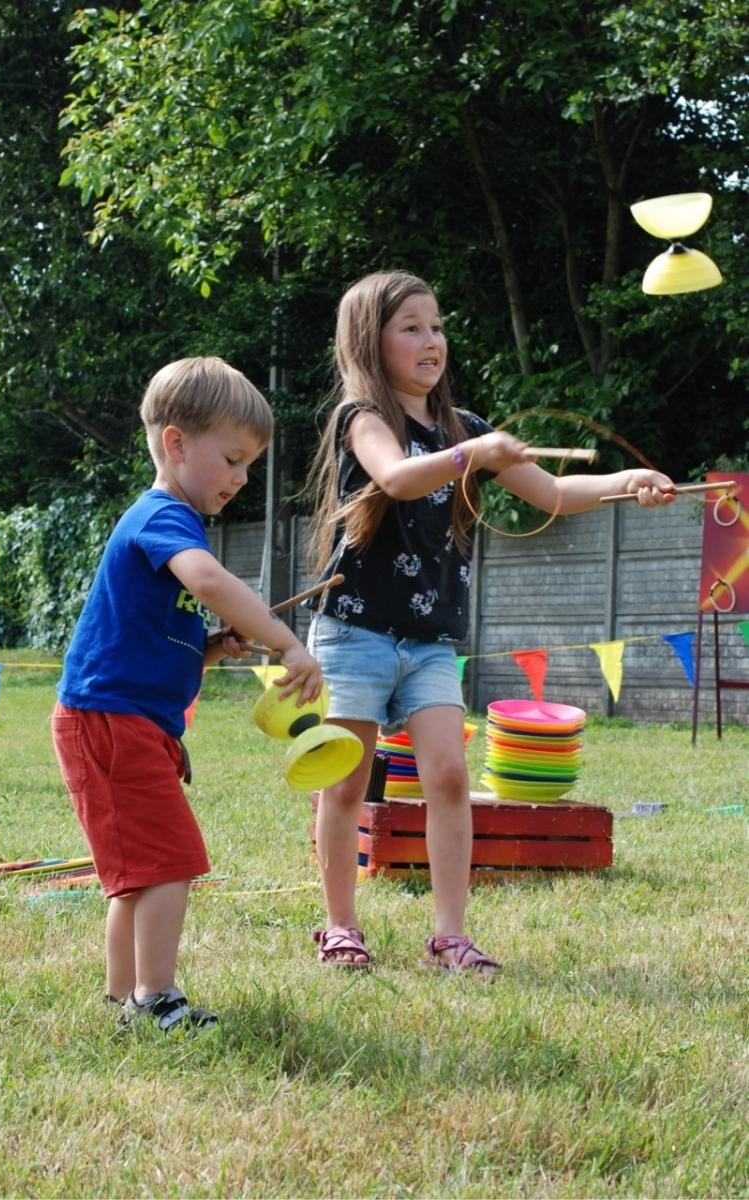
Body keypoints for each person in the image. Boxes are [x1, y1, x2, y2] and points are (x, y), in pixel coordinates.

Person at [305, 270, 676, 975]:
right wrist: (470, 456)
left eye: (436, 326)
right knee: (347, 782)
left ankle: (449, 936)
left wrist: (627, 483)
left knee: (448, 776)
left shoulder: (464, 430)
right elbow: (396, 478)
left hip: (430, 642)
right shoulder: (363, 419)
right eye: (410, 327)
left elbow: (554, 492)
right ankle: (340, 926)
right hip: (355, 630)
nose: (431, 340)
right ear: (369, 341)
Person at [52, 356, 322, 1032]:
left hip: (115, 718)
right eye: (232, 459)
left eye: (249, 464)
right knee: (168, 861)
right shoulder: (163, 516)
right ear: (175, 443)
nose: (242, 477)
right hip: (112, 721)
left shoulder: (170, 522)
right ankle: (156, 999)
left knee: (136, 874)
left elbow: (156, 640)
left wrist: (213, 646)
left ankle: (124, 1001)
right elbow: (207, 582)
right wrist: (286, 643)